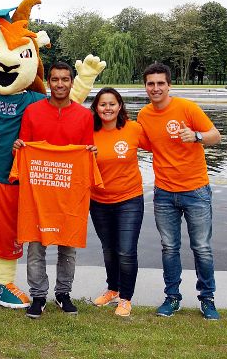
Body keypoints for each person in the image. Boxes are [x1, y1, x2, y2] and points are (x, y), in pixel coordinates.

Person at [137, 63, 222, 320]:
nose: (155, 88)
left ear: (169, 85)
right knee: (169, 248)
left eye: (160, 83)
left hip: (195, 190)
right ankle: (172, 298)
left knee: (202, 248)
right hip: (164, 192)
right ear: (146, 87)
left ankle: (207, 300)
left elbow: (215, 136)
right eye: (151, 84)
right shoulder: (144, 115)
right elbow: (140, 144)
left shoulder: (187, 108)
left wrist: (196, 136)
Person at [13, 62, 97, 319]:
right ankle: (38, 296)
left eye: (65, 79)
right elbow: (24, 145)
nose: (60, 84)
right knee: (36, 246)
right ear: (48, 82)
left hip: (70, 193)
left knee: (67, 245)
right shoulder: (32, 111)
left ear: (72, 82)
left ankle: (63, 293)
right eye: (55, 79)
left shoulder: (84, 116)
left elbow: (87, 153)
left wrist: (91, 153)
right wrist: (19, 147)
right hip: (39, 192)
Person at [89, 88, 149, 317]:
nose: (107, 108)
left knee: (126, 251)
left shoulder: (133, 129)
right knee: (108, 250)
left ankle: (125, 298)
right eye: (102, 104)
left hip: (129, 200)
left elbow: (160, 146)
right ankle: (112, 289)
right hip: (98, 200)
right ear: (96, 108)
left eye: (112, 104)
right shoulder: (89, 132)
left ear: (120, 106)